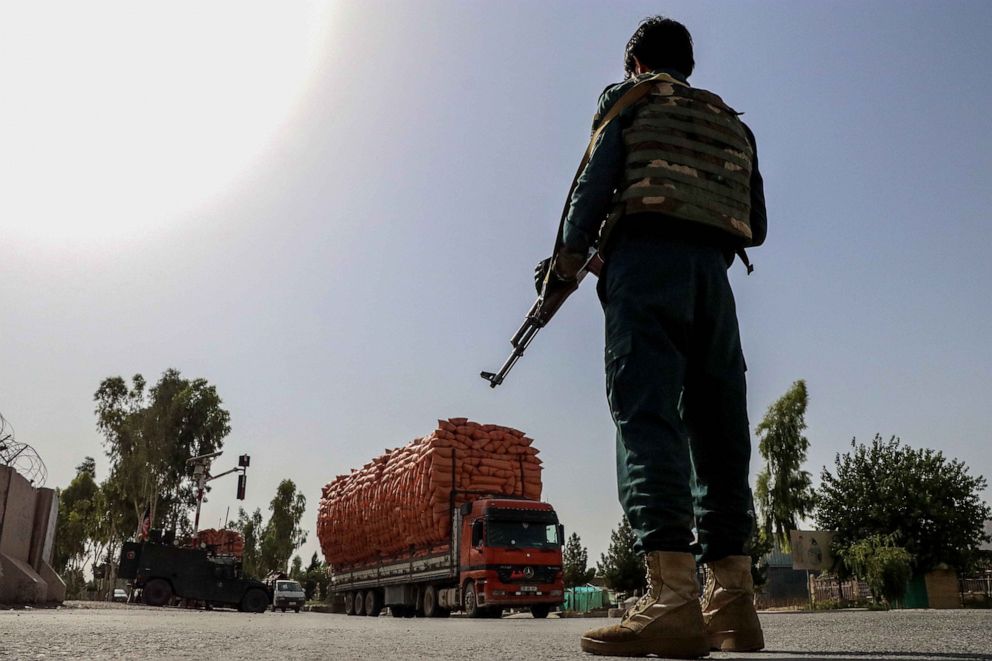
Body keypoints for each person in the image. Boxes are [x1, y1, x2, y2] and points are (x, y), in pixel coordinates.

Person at [541, 16, 767, 658]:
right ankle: (733, 604)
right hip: (714, 281)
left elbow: (589, 189)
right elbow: (757, 222)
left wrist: (562, 266)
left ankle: (670, 599)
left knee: (647, 419)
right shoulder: (733, 121)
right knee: (721, 431)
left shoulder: (632, 97)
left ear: (635, 61)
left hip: (646, 269)